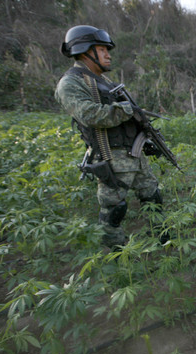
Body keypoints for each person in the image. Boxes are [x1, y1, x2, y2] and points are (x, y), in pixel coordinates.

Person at [55, 25, 165, 248]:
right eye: (102, 49)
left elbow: (131, 117)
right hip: (110, 157)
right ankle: (118, 258)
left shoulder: (107, 83)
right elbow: (89, 115)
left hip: (133, 154)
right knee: (114, 211)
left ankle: (164, 240)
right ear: (85, 51)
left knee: (153, 197)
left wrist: (146, 136)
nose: (108, 55)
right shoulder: (71, 83)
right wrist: (126, 110)